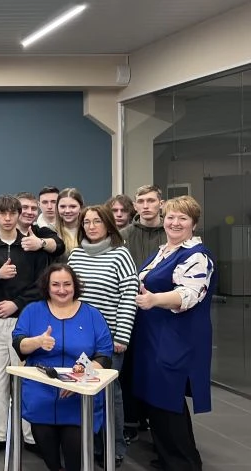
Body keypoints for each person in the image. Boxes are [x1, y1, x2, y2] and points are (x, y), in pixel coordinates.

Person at [132, 195, 216, 471]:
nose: (175, 223)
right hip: (154, 336)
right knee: (156, 398)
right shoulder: (164, 251)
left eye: (183, 218)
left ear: (194, 223)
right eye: (170, 217)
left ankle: (184, 463)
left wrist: (154, 299)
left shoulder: (197, 256)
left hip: (177, 337)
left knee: (169, 397)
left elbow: (189, 294)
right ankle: (168, 457)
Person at [13, 265, 113, 471]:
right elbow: (19, 344)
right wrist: (38, 341)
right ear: (47, 287)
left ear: (75, 286)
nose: (61, 290)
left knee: (75, 449)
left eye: (67, 284)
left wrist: (80, 377)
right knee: (47, 448)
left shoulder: (92, 314)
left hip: (79, 395)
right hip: (41, 392)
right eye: (55, 285)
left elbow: (104, 355)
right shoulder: (32, 311)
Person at [0, 194, 49, 455]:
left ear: (19, 215)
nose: (7, 218)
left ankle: (30, 436)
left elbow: (41, 285)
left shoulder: (31, 246)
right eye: (2, 213)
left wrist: (16, 303)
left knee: (27, 379)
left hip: (26, 321)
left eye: (12, 213)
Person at [66, 205, 139, 466]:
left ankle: (114, 447)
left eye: (97, 221)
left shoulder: (120, 254)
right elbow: (67, 295)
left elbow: (129, 297)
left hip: (108, 339)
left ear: (108, 224)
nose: (91, 226)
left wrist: (122, 336)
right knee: (81, 390)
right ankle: (90, 445)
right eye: (86, 222)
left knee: (108, 393)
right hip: (77, 337)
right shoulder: (76, 255)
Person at [119, 185, 166, 439]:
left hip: (163, 312)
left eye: (151, 200)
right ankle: (131, 421)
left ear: (161, 203)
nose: (146, 205)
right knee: (130, 366)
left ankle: (157, 422)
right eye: (141, 201)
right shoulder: (123, 235)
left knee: (158, 367)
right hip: (132, 311)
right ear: (135, 206)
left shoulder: (171, 233)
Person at [55, 188, 85, 259]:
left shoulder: (89, 230)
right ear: (57, 208)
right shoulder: (50, 230)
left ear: (81, 208)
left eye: (73, 206)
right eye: (63, 207)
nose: (67, 211)